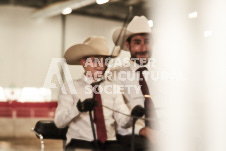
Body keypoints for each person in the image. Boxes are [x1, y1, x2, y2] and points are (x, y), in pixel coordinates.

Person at [54, 36, 144, 151]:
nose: (100, 65)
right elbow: (59, 122)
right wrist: (78, 109)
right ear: (83, 62)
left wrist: (132, 116)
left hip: (109, 143)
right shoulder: (70, 87)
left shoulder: (113, 88)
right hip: (80, 142)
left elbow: (123, 121)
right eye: (95, 60)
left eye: (104, 60)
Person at [110, 16, 159, 151]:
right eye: (137, 43)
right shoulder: (115, 76)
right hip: (132, 133)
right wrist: (142, 130)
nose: (143, 49)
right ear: (128, 44)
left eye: (147, 42)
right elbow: (115, 117)